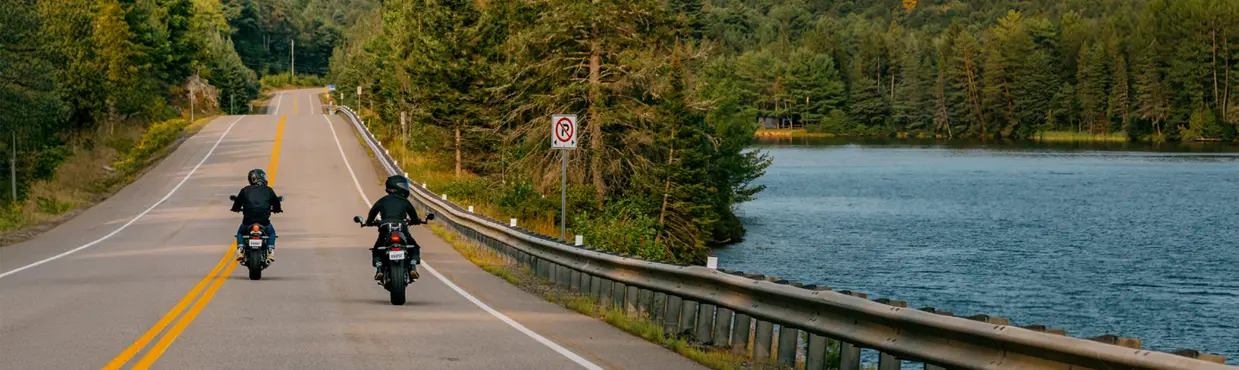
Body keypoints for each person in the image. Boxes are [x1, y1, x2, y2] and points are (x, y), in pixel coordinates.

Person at [364, 175, 425, 281]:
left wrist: (369, 222)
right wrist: (416, 221)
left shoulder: (383, 200)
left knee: (378, 247)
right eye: (403, 185)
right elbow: (414, 216)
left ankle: (379, 268)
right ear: (398, 186)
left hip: (385, 227)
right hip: (401, 226)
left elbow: (373, 212)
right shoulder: (404, 201)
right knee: (414, 246)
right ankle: (413, 265)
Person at [230, 169, 283, 264]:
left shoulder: (245, 190)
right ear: (261, 178)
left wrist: (235, 208)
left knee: (240, 233)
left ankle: (241, 249)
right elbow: (276, 202)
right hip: (263, 222)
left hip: (248, 221)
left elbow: (237, 202)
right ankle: (270, 250)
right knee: (271, 233)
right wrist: (277, 209)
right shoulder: (268, 190)